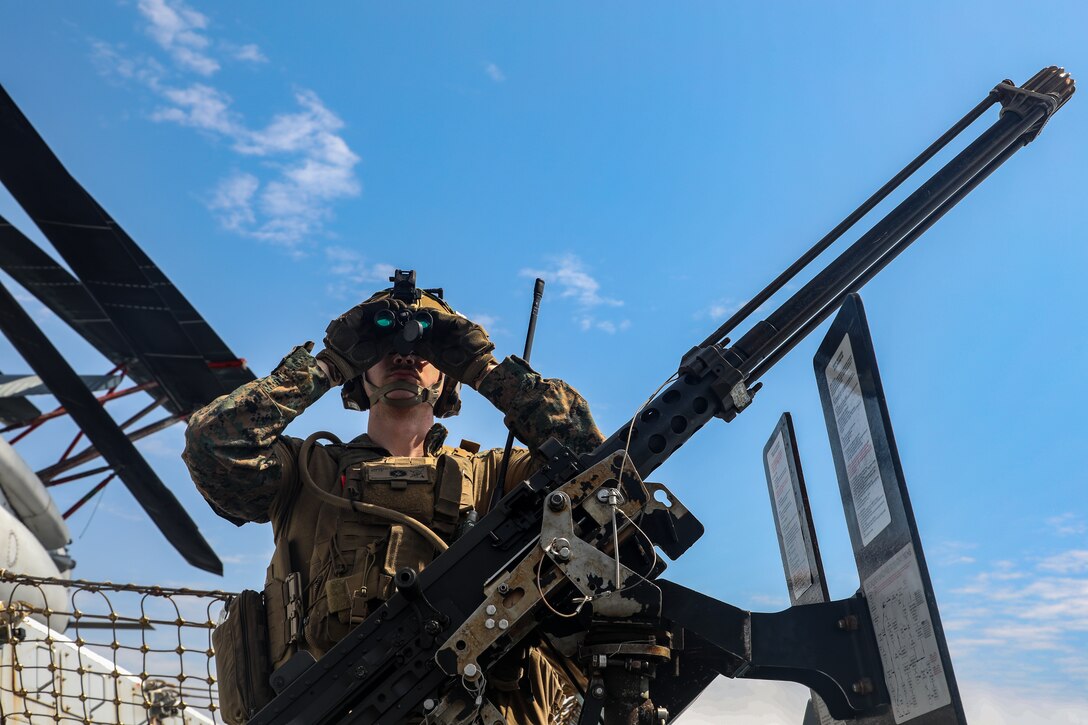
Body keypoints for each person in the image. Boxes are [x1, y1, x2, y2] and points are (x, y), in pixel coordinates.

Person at [182, 274, 603, 724]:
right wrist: (324, 367)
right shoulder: (306, 472)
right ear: (359, 374)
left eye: (427, 349)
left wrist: (486, 369)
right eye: (382, 347)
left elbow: (600, 475)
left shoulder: (496, 477)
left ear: (448, 377)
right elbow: (213, 445)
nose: (405, 355)